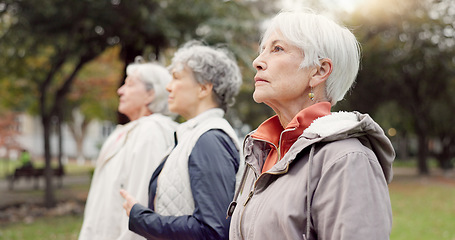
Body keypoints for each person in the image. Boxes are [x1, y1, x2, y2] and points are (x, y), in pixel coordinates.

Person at [227, 9, 395, 240]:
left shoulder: (348, 160)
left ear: (319, 71)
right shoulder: (260, 153)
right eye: (262, 50)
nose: (257, 61)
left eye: (277, 49)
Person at [120, 41, 242, 240]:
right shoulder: (193, 136)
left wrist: (140, 218)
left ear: (203, 88)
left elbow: (212, 230)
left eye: (176, 77)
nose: (168, 87)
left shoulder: (209, 140)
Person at [79, 60, 178, 240]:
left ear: (150, 94)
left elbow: (141, 206)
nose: (120, 90)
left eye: (129, 84)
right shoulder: (125, 132)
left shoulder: (151, 132)